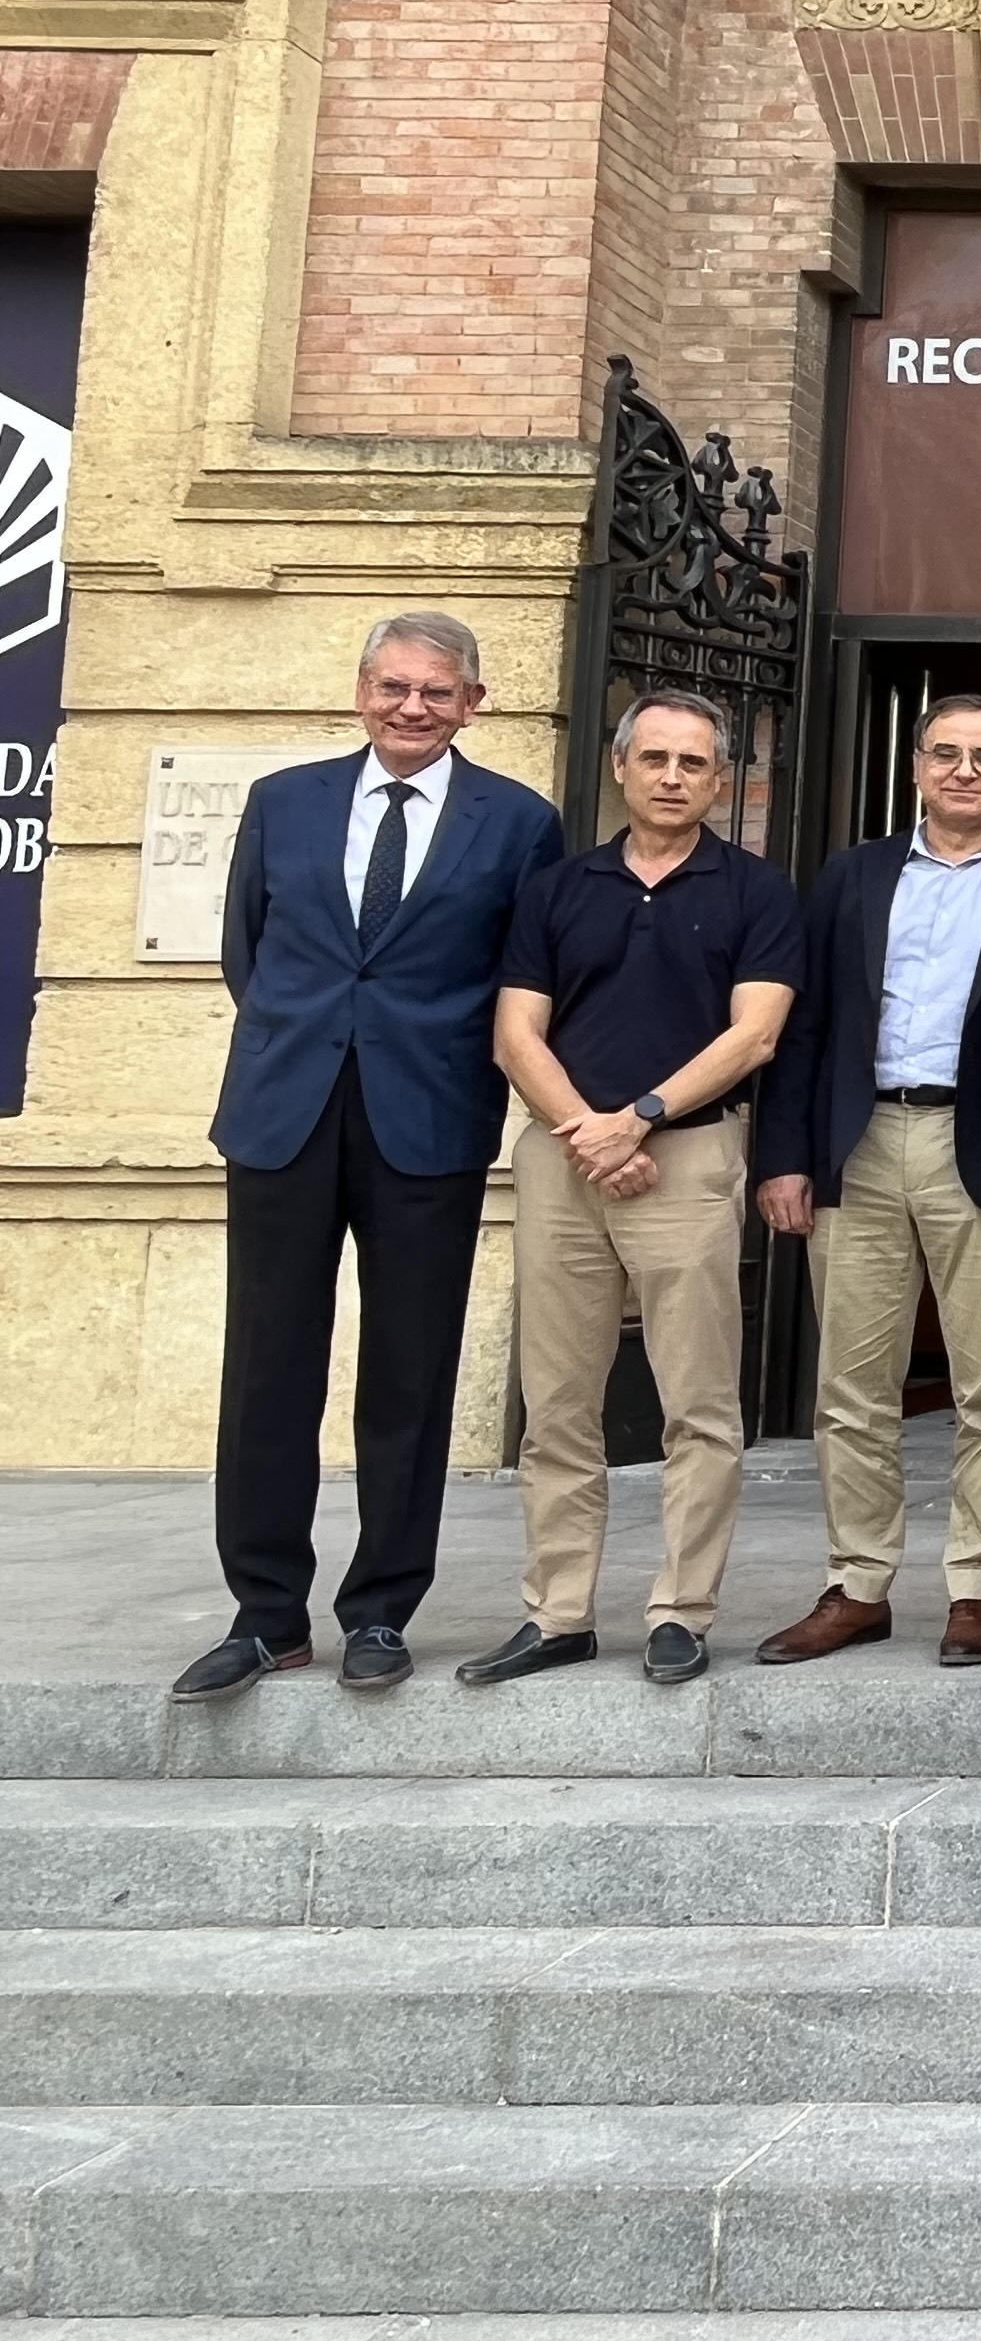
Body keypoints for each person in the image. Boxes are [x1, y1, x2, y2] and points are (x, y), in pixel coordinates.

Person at [176, 614, 567, 1703]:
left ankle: (382, 1609)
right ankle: (264, 1615)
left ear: (473, 704)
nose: (412, 707)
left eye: (438, 693)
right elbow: (249, 954)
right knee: (267, 1369)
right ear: (360, 691)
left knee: (409, 1373)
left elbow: (520, 978)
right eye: (394, 687)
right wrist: (312, 1047)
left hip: (427, 1122)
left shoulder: (521, 823)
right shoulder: (284, 801)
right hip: (283, 1115)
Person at [749, 694, 981, 1669]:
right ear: (914, 767)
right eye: (945, 753)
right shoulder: (852, 878)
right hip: (860, 1146)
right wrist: (785, 1156)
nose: (964, 771)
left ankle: (980, 1588)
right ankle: (859, 1584)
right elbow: (803, 1026)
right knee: (850, 1387)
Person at [465, 691, 800, 1691]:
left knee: (699, 1401)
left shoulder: (756, 891)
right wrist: (588, 1132)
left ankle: (681, 1612)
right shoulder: (558, 889)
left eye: (693, 763)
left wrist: (639, 1117)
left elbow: (756, 1035)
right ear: (620, 767)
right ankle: (557, 1612)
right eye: (653, 757)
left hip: (687, 1159)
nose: (670, 776)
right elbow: (515, 1031)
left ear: (720, 779)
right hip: (565, 1158)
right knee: (557, 1402)